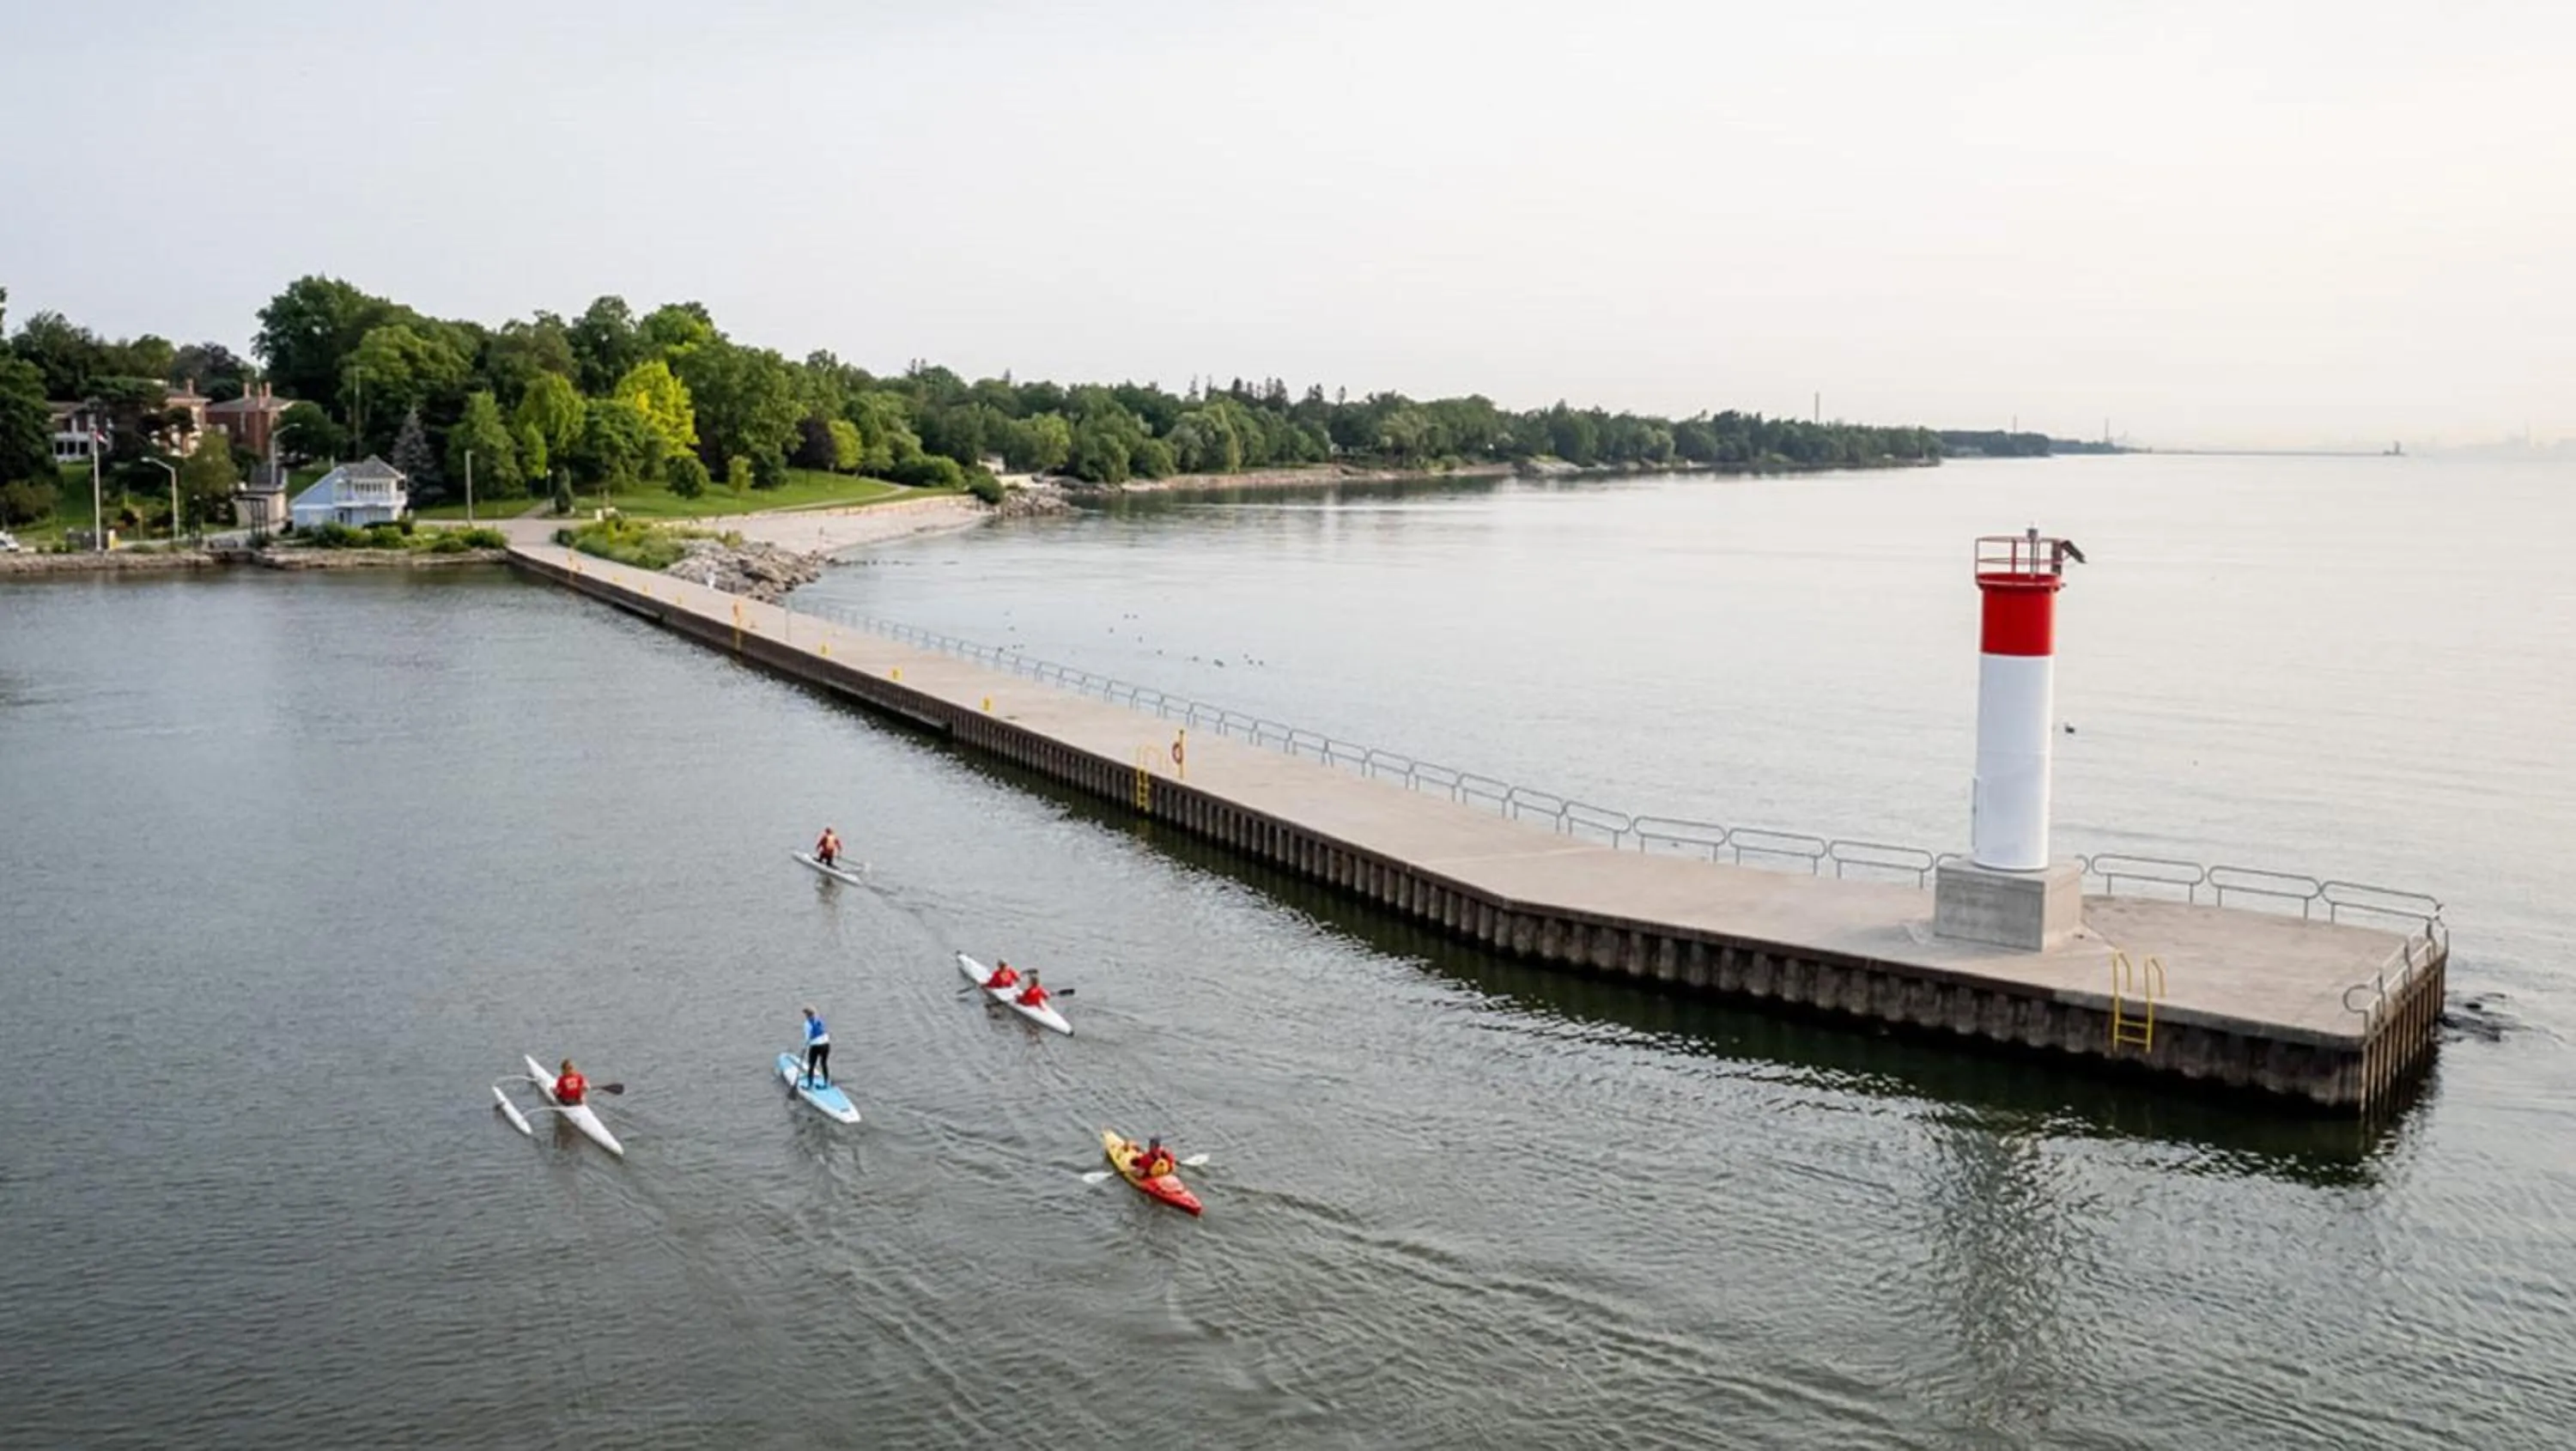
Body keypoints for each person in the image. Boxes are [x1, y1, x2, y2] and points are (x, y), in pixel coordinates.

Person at [800, 1005, 831, 1088]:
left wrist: (804, 1048)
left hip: (816, 1046)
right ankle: (826, 1083)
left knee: (812, 1065)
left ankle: (810, 1085)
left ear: (807, 1015)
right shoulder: (820, 1020)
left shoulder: (807, 1024)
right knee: (824, 1063)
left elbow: (807, 1038)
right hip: (826, 1044)